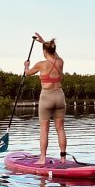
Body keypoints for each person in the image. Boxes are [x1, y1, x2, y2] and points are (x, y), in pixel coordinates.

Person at [24, 32, 67, 165]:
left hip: (46, 97)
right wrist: (44, 42)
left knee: (44, 129)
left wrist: (26, 65)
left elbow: (27, 73)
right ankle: (63, 158)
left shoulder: (41, 64)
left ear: (44, 51)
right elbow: (54, 54)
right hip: (60, 96)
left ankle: (42, 158)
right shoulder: (60, 62)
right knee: (60, 128)